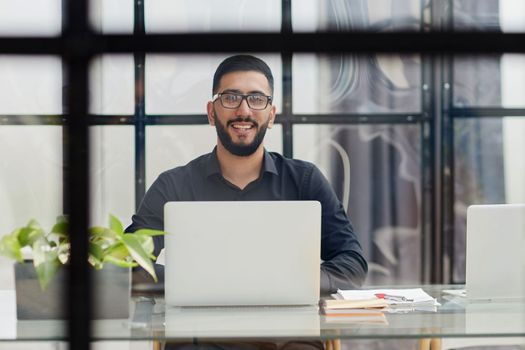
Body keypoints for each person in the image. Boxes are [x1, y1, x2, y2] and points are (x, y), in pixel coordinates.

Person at [127, 54, 367, 294]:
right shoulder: (173, 186)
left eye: (256, 99)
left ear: (271, 115)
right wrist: (202, 282)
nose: (244, 110)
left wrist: (290, 283)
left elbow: (353, 264)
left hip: (289, 327)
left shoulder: (305, 181)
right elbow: (128, 265)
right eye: (230, 98)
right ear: (211, 113)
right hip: (197, 328)